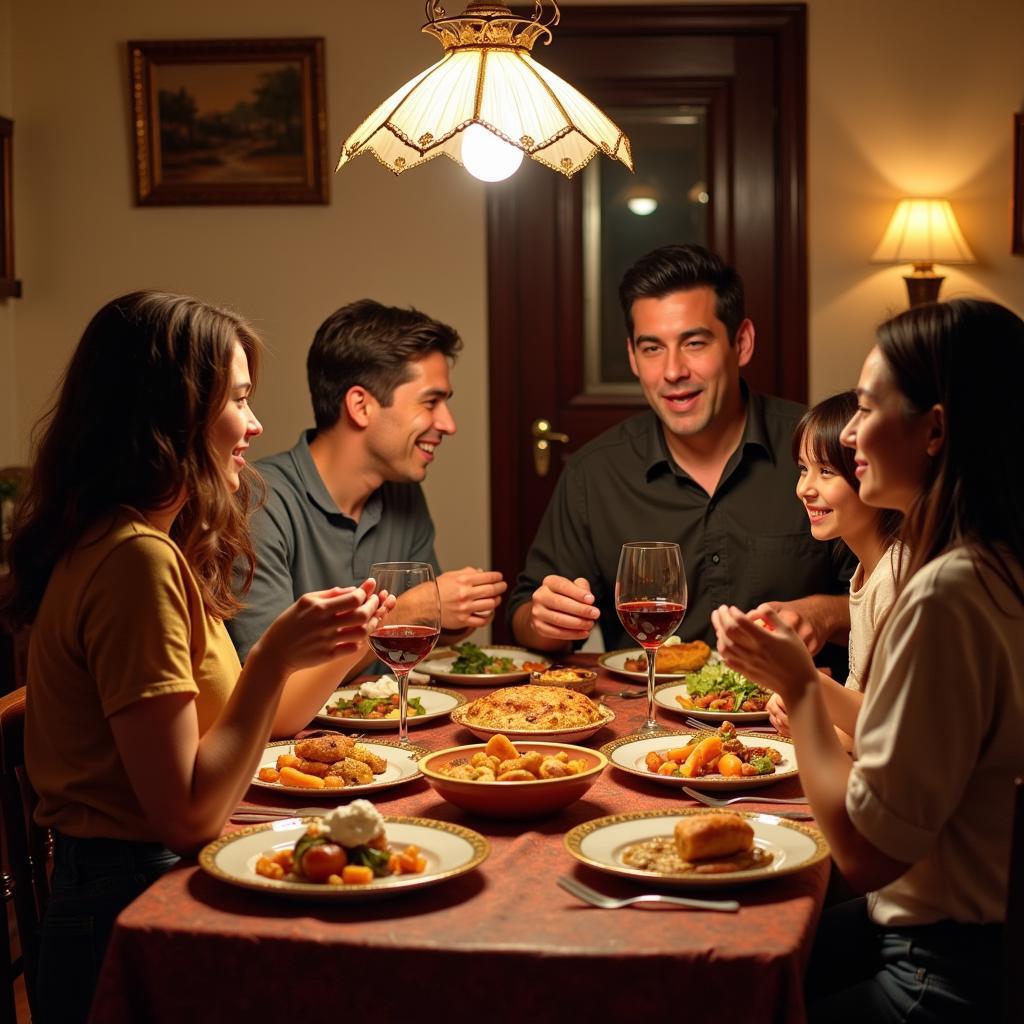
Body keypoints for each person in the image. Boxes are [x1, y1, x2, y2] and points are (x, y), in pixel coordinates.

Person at [0, 292, 391, 1023]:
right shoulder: (133, 564)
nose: (255, 424)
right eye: (239, 400)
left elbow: (265, 724)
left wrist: (351, 639)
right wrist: (273, 657)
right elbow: (184, 815)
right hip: (130, 914)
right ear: (173, 414)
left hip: (147, 883)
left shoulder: (149, 545)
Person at [712, 298, 1024, 1021]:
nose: (849, 432)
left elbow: (865, 854)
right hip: (971, 939)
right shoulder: (993, 565)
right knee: (740, 943)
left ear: (936, 430)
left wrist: (798, 691)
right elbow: (917, 734)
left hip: (939, 972)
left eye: (865, 406)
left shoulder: (948, 593)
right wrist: (803, 683)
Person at [509, 243, 853, 661]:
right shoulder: (593, 472)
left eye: (694, 343)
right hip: (643, 719)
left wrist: (826, 614)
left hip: (794, 717)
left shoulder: (824, 449)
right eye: (652, 348)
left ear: (741, 343)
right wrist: (545, 619)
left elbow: (894, 598)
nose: (673, 372)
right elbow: (526, 619)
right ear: (633, 358)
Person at [227, 298, 506, 667]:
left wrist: (454, 613)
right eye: (431, 402)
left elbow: (416, 641)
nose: (448, 424)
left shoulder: (403, 493)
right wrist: (406, 611)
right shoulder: (258, 503)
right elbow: (268, 682)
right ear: (360, 406)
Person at [766, 391, 902, 747]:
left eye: (826, 471)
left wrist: (803, 681)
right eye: (803, 469)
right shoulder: (867, 570)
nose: (804, 489)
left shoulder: (895, 578)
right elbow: (868, 728)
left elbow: (898, 735)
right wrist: (808, 717)